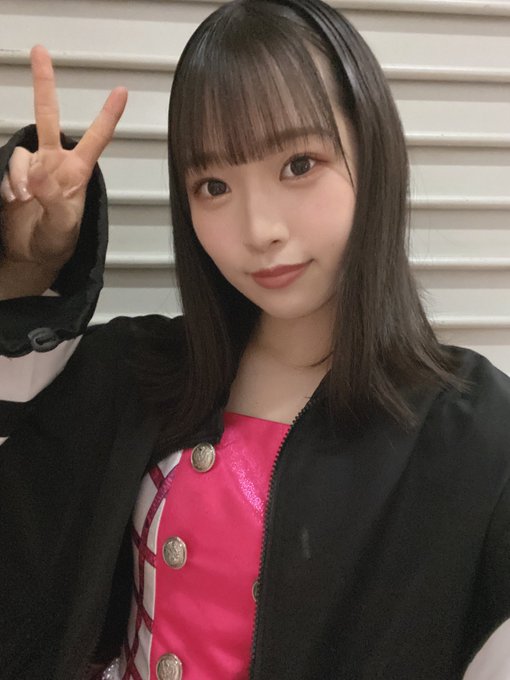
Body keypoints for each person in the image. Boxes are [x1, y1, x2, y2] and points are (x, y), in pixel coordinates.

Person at [0, 0, 509, 678]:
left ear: (373, 154)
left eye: (299, 164)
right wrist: (30, 261)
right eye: (213, 185)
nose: (259, 229)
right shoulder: (138, 374)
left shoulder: (477, 435)